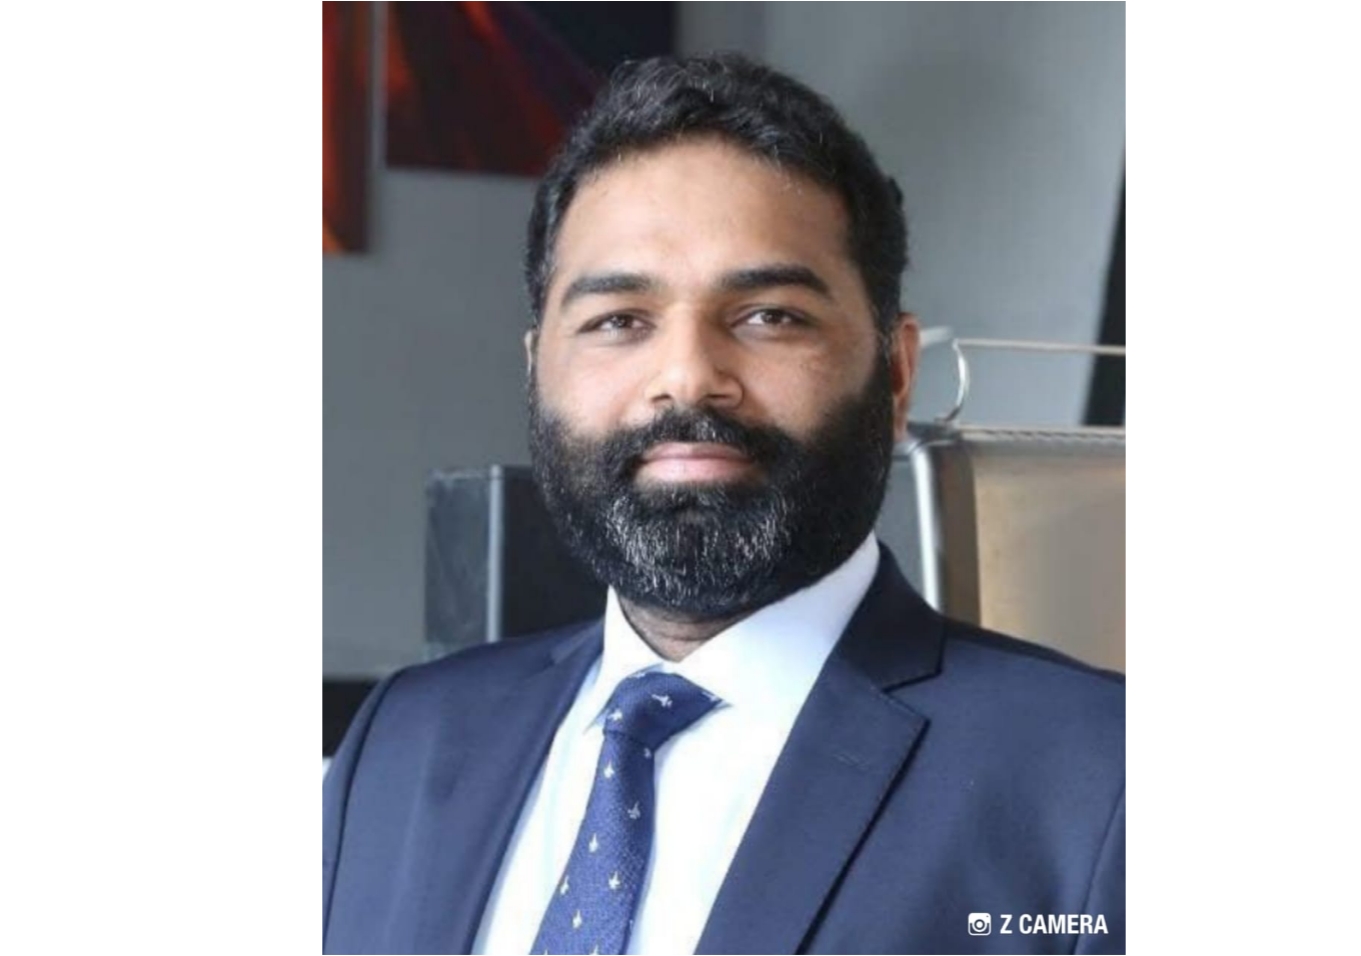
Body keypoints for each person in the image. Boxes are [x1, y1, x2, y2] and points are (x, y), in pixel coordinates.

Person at [323, 54, 1124, 955]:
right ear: (537, 369)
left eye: (769, 315)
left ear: (897, 374)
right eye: (619, 320)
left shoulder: (1103, 781)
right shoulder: (401, 742)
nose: (688, 377)